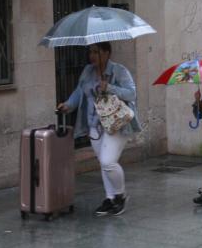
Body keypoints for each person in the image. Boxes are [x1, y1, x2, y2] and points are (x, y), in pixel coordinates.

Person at [58, 42, 140, 217]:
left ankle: (121, 195)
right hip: (94, 125)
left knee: (108, 161)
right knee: (104, 164)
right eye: (90, 51)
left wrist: (110, 87)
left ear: (107, 53)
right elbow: (80, 92)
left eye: (96, 52)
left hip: (116, 124)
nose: (92, 55)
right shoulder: (87, 71)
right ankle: (110, 198)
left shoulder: (119, 71)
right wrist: (68, 105)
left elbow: (132, 93)